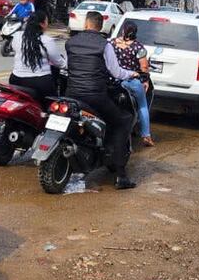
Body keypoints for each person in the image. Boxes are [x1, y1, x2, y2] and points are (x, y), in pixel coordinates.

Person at [65, 11, 138, 189]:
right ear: (101, 27)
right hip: (95, 96)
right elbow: (116, 72)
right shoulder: (105, 45)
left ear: (86, 24)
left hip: (71, 94)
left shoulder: (71, 42)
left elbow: (67, 65)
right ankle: (121, 176)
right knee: (123, 121)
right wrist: (132, 73)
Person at [112, 21, 155, 147]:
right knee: (142, 105)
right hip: (132, 82)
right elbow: (144, 66)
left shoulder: (112, 43)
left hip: (114, 80)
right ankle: (146, 135)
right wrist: (145, 80)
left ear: (123, 30)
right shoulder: (138, 48)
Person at [9, 12, 65, 106]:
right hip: (39, 82)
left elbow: (15, 49)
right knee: (53, 107)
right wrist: (66, 64)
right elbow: (58, 62)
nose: (47, 24)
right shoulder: (46, 40)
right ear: (42, 24)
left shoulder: (17, 36)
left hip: (16, 79)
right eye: (47, 21)